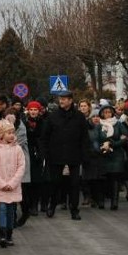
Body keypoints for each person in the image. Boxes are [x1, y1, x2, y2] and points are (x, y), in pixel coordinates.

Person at [40, 89, 91, 221]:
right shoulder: (53, 116)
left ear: (70, 100)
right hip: (56, 155)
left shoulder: (79, 117)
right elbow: (45, 137)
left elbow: (85, 138)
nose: (61, 101)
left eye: (64, 99)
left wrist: (85, 156)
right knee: (55, 183)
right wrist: (45, 154)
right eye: (60, 99)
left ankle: (74, 209)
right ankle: (52, 205)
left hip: (74, 155)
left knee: (74, 184)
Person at [0, 120, 26, 248]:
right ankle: (2, 234)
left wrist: (12, 183)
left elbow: (21, 167)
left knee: (11, 210)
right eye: (8, 132)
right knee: (2, 208)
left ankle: (9, 234)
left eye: (12, 132)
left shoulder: (18, 149)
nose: (11, 135)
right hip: (0, 187)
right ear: (1, 134)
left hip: (13, 187)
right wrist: (2, 184)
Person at [97, 105, 128, 210]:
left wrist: (112, 144)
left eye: (109, 112)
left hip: (116, 154)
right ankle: (101, 201)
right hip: (102, 154)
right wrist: (101, 147)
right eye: (105, 112)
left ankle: (114, 202)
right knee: (102, 178)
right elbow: (95, 138)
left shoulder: (118, 124)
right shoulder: (98, 125)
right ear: (101, 114)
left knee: (115, 178)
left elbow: (124, 137)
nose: (107, 114)